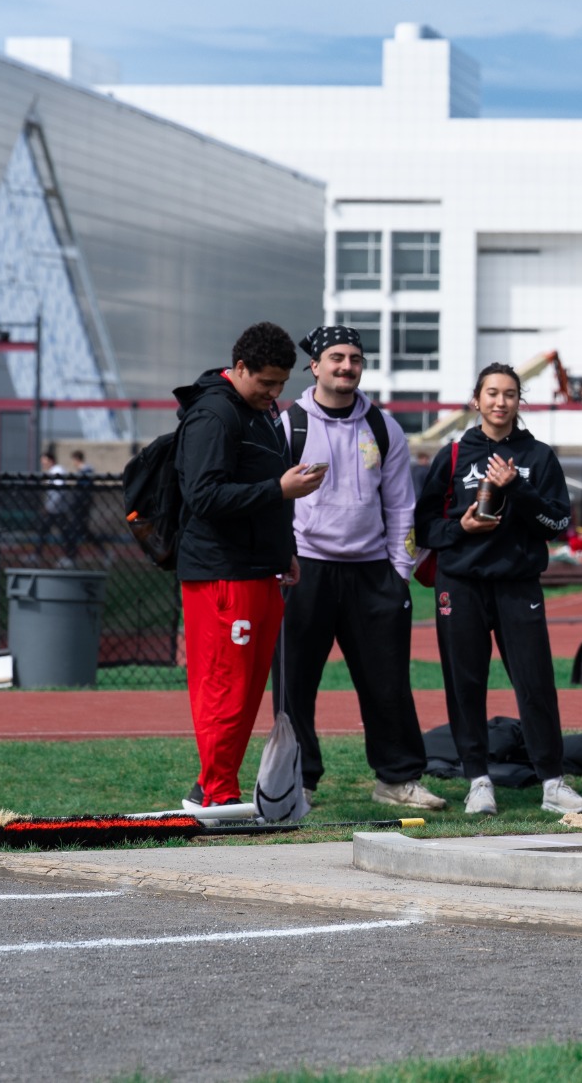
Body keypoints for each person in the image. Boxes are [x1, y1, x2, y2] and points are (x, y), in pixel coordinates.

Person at [415, 362, 582, 817]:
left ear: (518, 402)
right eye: (491, 393)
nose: (500, 401)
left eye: (509, 394)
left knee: (535, 682)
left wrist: (519, 491)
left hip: (518, 584)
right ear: (476, 400)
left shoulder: (538, 456)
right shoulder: (453, 453)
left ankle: (552, 782)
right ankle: (478, 781)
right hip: (461, 585)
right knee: (465, 684)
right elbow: (424, 526)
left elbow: (557, 524)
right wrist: (463, 526)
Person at [280, 324, 444, 812]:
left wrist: (398, 571)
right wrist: (281, 559)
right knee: (295, 685)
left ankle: (396, 779)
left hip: (374, 573)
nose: (346, 366)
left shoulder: (382, 426)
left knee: (388, 681)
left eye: (354, 358)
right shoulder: (290, 424)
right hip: (305, 569)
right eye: (336, 358)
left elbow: (401, 506)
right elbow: (275, 501)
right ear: (315, 366)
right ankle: (297, 782)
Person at [174, 322, 324, 810]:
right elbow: (203, 495)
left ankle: (214, 786)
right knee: (225, 687)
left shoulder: (260, 411)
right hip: (222, 573)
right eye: (266, 383)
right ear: (239, 369)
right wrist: (278, 490)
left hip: (260, 569)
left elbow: (263, 489)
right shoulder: (214, 415)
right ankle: (217, 792)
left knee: (246, 689)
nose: (275, 393)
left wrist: (285, 552)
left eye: (282, 384)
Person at [61, 448, 95, 562]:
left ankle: (71, 556)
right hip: (78, 505)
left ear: (77, 459)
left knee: (75, 529)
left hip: (82, 505)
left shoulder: (86, 471)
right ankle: (72, 555)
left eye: (74, 460)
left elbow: (84, 489)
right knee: (82, 530)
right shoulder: (82, 471)